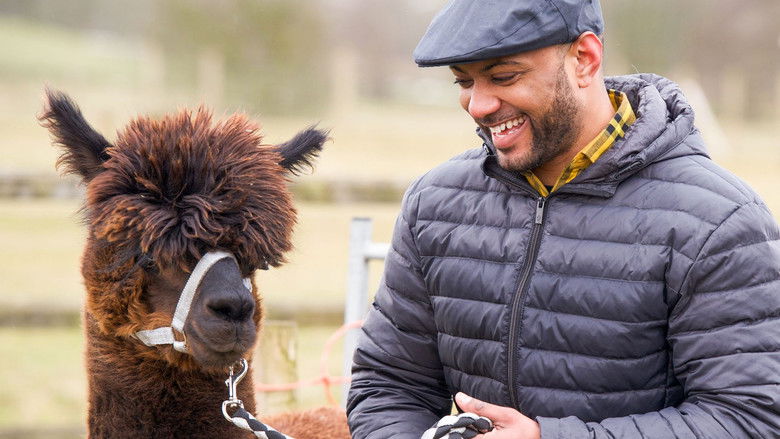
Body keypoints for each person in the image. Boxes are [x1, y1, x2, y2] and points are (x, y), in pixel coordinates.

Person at [346, 1, 780, 438]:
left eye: (503, 77)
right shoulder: (434, 202)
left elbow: (750, 418)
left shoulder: (719, 222)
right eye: (463, 81)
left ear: (584, 60)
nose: (478, 105)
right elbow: (389, 384)